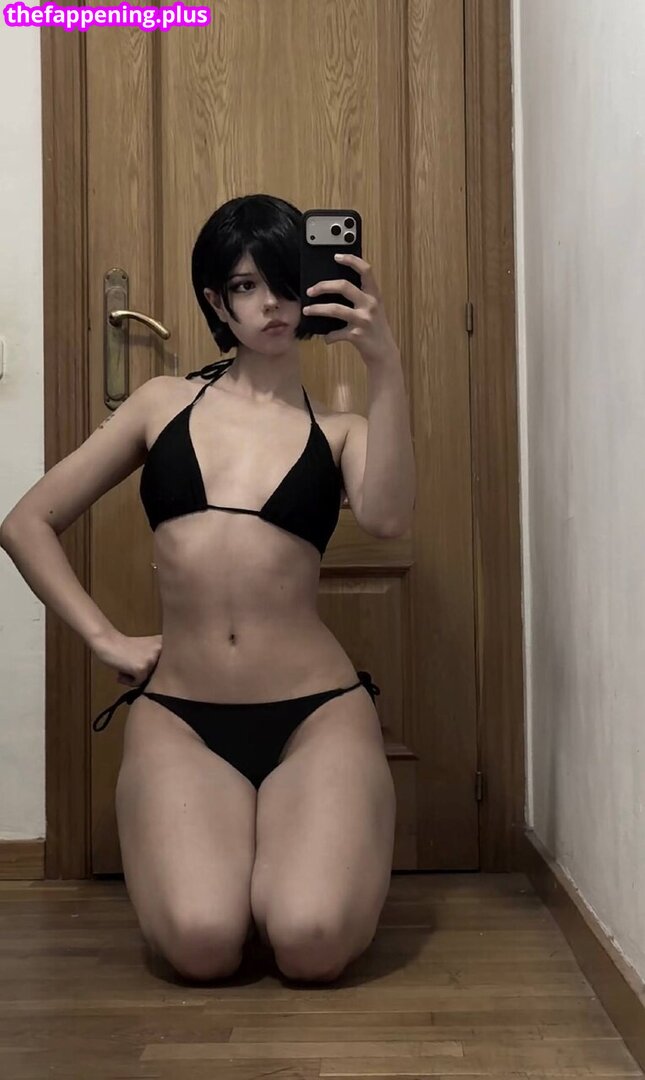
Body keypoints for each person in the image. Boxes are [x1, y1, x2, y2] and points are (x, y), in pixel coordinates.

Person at [0, 193, 416, 985]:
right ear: (216, 302)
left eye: (286, 283)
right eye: (247, 286)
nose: (272, 305)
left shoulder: (342, 432)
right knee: (201, 943)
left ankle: (288, 862)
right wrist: (104, 638)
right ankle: (243, 863)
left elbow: (389, 518)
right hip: (181, 719)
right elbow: (26, 522)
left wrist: (383, 362)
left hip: (316, 715)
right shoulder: (162, 405)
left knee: (310, 942)